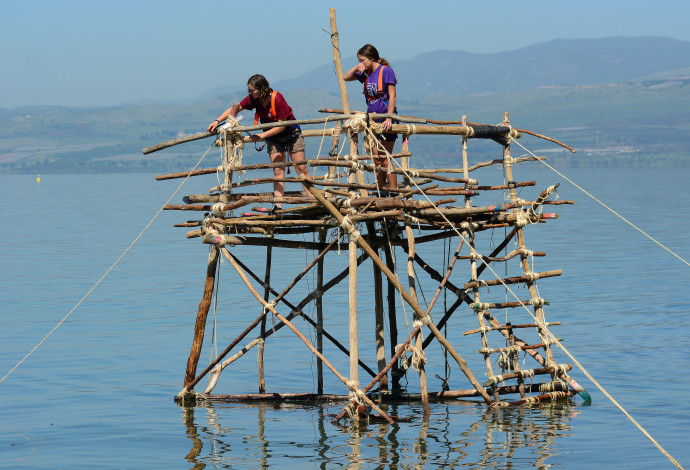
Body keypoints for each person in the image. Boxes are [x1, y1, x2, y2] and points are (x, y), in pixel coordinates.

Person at [207, 74, 312, 211]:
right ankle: (278, 205)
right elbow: (235, 109)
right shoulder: (254, 99)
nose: (250, 93)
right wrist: (217, 121)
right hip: (274, 138)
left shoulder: (277, 98)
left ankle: (314, 199)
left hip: (291, 135)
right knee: (278, 171)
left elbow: (283, 125)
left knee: (301, 169)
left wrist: (262, 135)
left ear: (261, 89)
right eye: (249, 91)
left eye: (252, 90)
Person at [344, 44, 398, 191]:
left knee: (385, 158)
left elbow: (392, 96)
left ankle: (394, 192)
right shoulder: (366, 73)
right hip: (372, 119)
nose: (361, 63)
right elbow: (346, 77)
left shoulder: (385, 71)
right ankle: (381, 191)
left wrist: (389, 117)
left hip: (386, 118)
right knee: (377, 160)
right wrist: (358, 67)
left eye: (362, 60)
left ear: (372, 58)